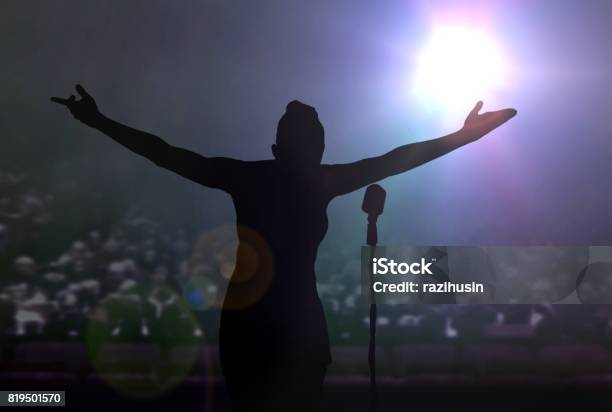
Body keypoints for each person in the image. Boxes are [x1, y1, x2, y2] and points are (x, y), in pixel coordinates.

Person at [51, 85, 516, 411]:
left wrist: (98, 121)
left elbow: (165, 153)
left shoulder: (250, 176)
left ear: (276, 148)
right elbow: (398, 159)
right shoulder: (324, 179)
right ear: (316, 148)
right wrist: (464, 135)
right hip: (294, 320)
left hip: (249, 318)